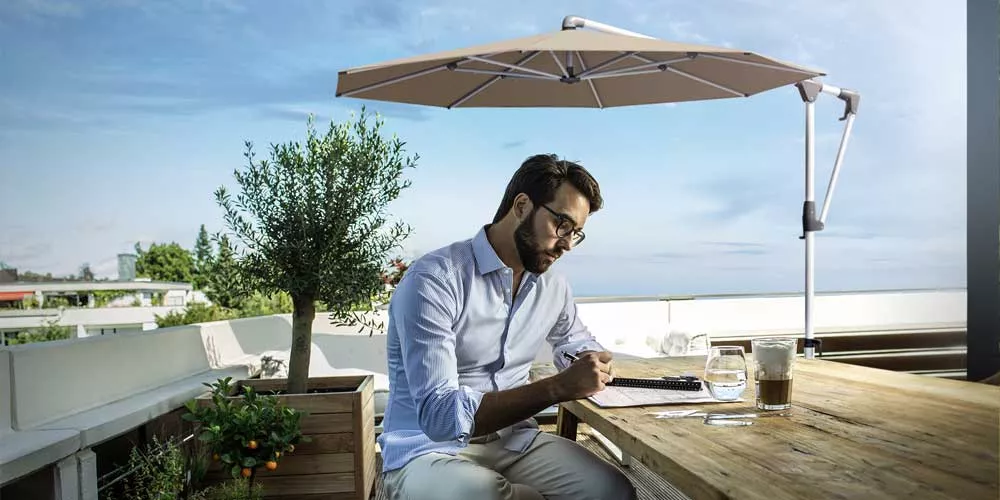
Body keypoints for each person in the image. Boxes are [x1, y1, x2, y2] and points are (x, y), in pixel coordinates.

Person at [378, 154, 637, 500]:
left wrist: (587, 359)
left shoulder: (552, 285)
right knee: (486, 495)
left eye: (577, 233)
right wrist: (555, 388)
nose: (568, 244)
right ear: (522, 205)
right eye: (562, 225)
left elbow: (574, 340)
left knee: (610, 491)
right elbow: (440, 417)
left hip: (514, 442)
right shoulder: (435, 280)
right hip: (427, 450)